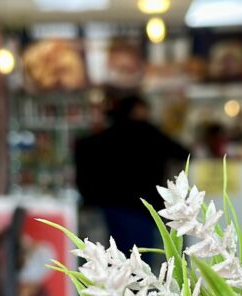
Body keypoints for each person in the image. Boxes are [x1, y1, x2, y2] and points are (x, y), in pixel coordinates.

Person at [75, 95, 189, 258]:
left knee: (116, 257)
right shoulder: (149, 132)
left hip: (109, 204)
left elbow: (84, 151)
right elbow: (183, 153)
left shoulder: (105, 136)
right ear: (138, 110)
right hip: (141, 206)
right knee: (140, 261)